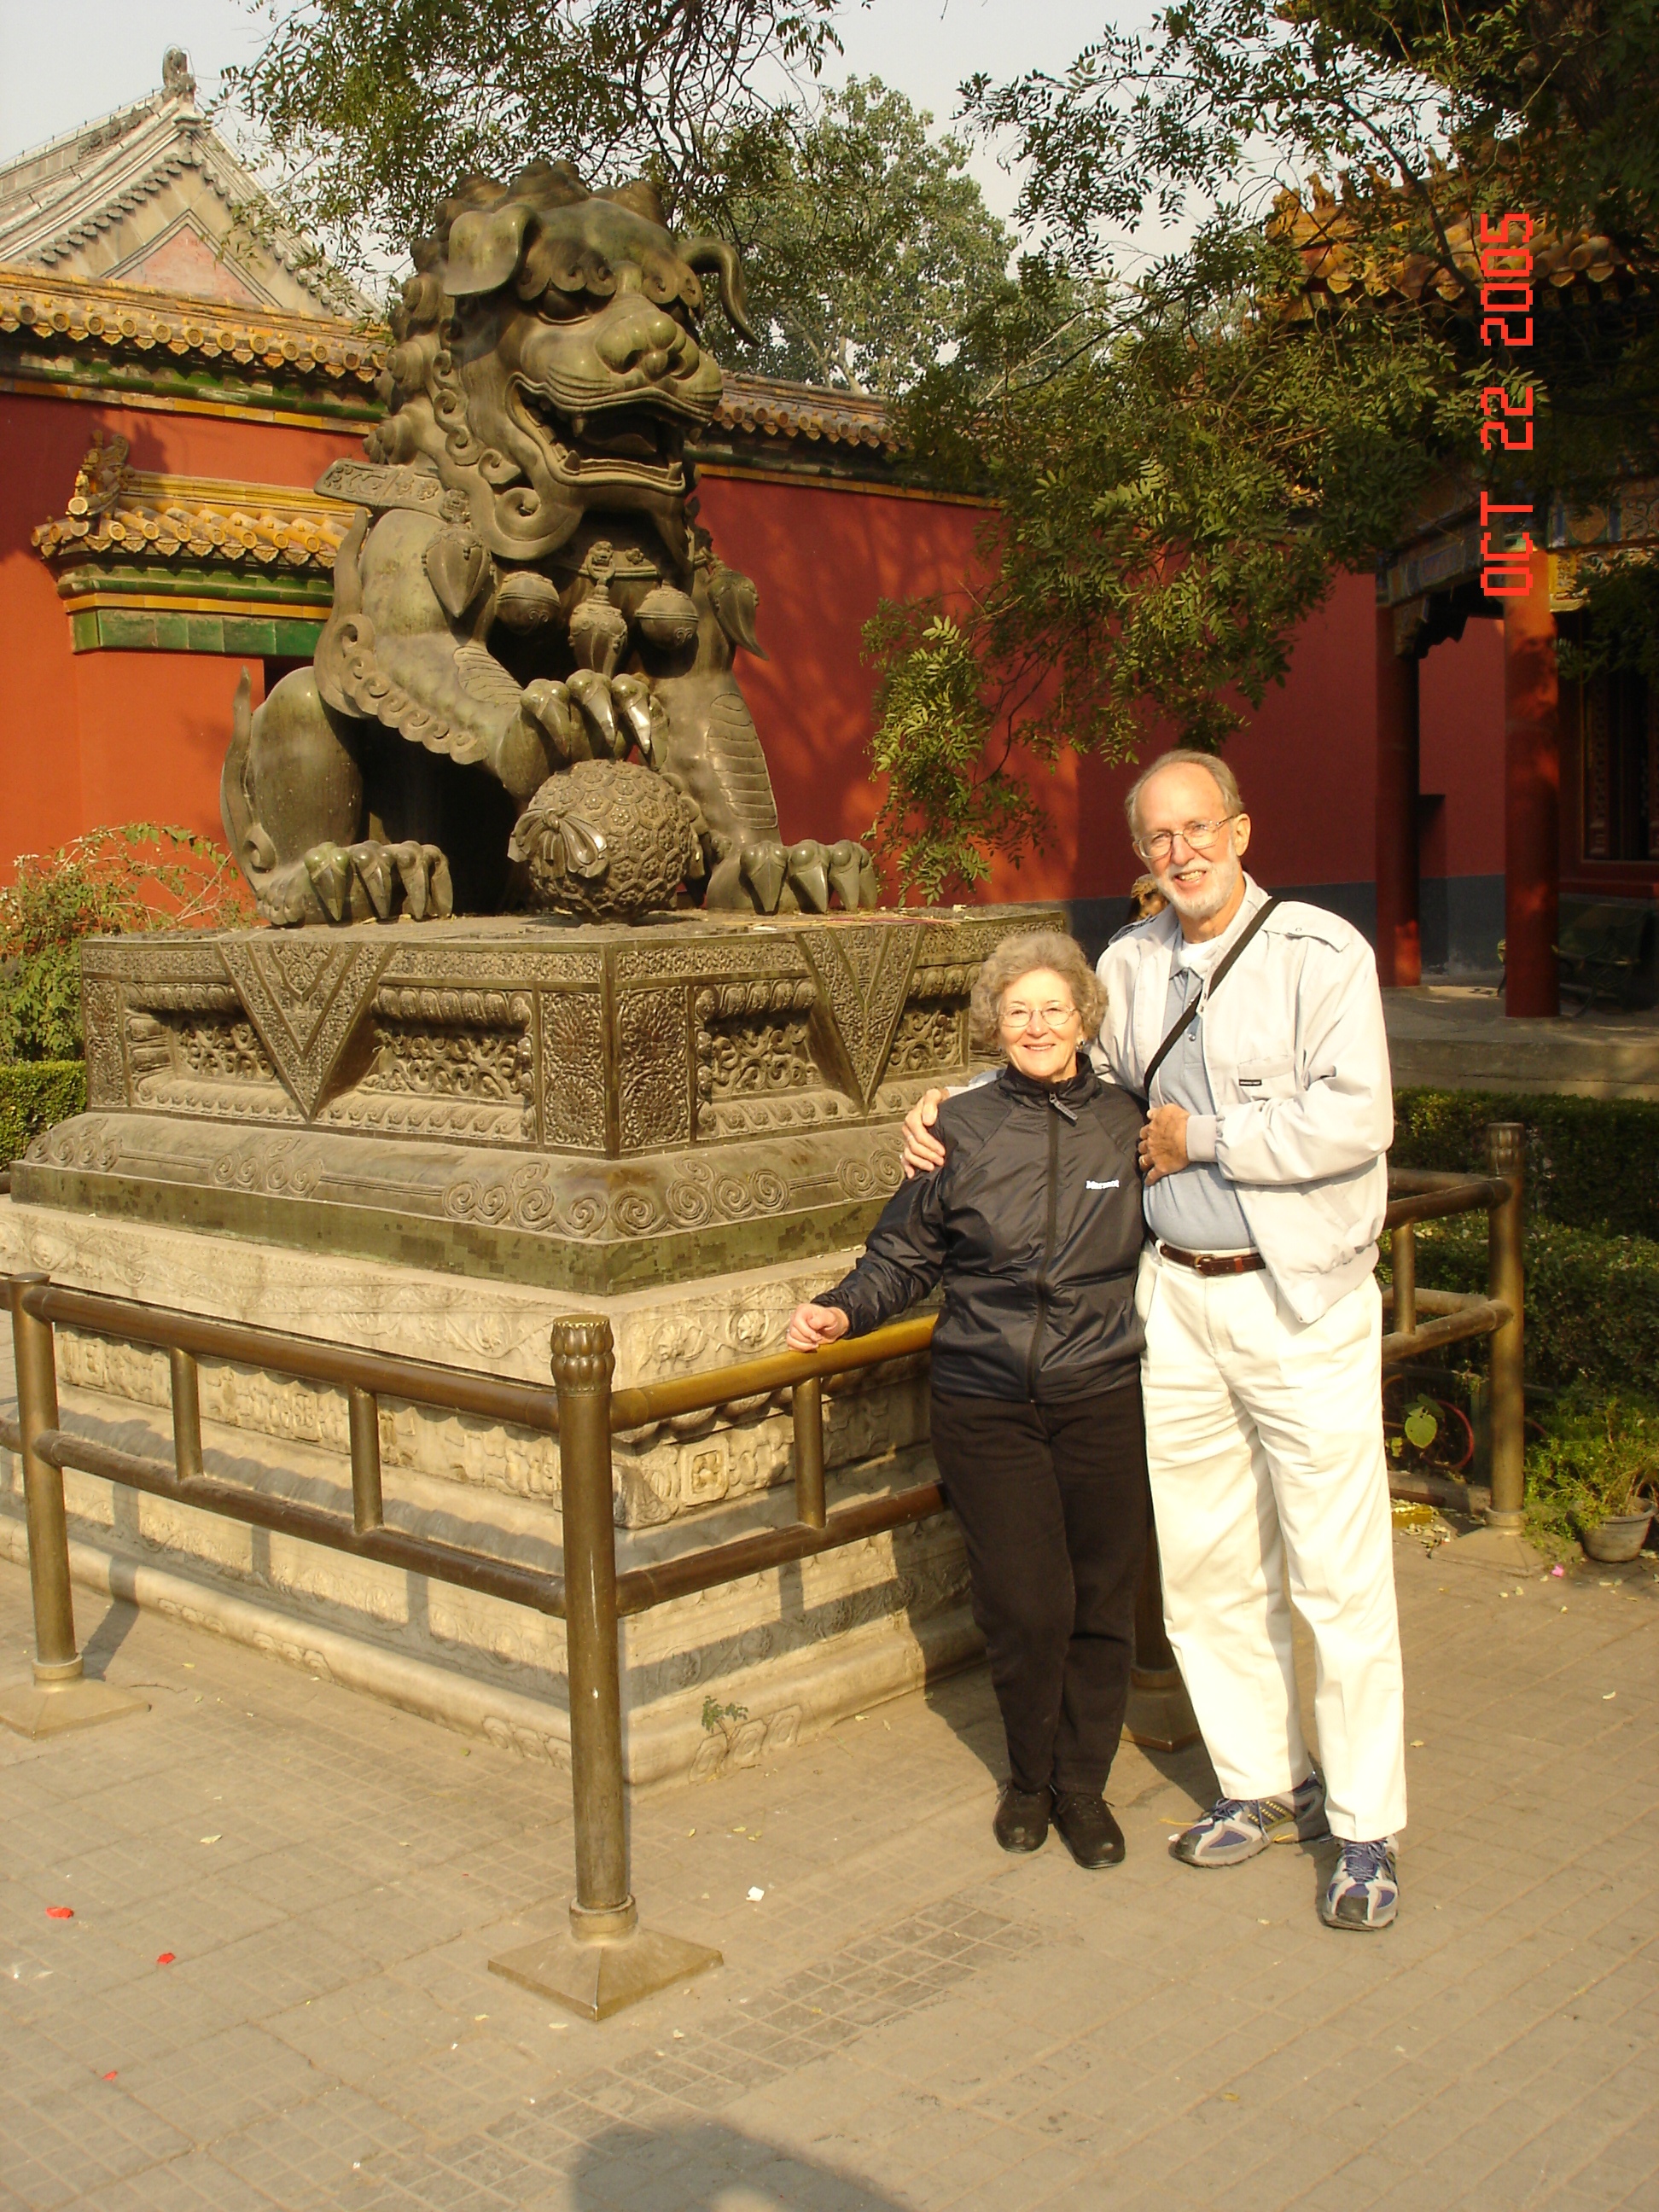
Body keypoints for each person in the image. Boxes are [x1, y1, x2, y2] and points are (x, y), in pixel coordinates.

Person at [901, 749, 1406, 1932]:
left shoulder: (1321, 954)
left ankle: (1368, 1821)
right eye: (1157, 839)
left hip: (1302, 1298)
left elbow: (1358, 1116)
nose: (1180, 853)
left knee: (1335, 1574)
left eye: (1198, 829)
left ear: (1240, 827)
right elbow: (1058, 1056)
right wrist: (947, 1103)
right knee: (1207, 1562)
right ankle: (1255, 1784)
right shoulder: (1127, 966)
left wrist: (1209, 1138)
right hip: (1173, 1298)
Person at [787, 932, 1149, 1871]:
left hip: (1102, 1388)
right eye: (1018, 1011)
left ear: (1083, 1018)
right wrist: (843, 1310)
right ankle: (1030, 1780)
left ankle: (1085, 1788)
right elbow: (906, 1254)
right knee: (1027, 1604)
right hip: (987, 1396)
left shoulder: (1128, 1121)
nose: (1036, 1025)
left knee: (1102, 1598)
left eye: (1053, 1009)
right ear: (995, 1024)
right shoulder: (960, 1125)